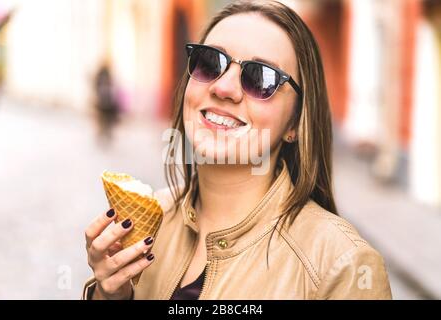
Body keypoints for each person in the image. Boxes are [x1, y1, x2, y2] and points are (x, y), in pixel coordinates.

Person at [82, 0, 392, 300]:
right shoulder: (151, 220)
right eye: (209, 62)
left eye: (260, 78)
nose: (224, 88)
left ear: (295, 123)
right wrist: (109, 297)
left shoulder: (344, 265)